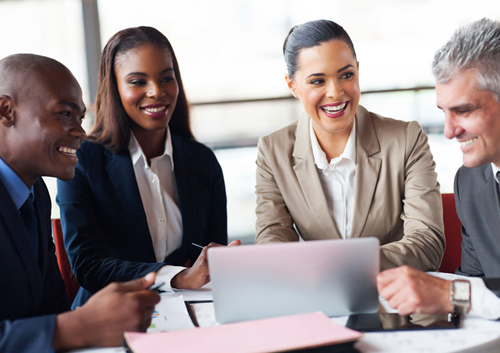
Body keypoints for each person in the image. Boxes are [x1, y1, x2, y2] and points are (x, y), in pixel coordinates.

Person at [57, 26, 239, 308]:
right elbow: (87, 266)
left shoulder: (202, 160)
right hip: (109, 315)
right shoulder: (83, 161)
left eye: (167, 78)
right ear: (115, 88)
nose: (157, 92)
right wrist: (177, 277)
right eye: (138, 82)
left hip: (194, 309)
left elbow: (211, 260)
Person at [0, 53, 160, 352]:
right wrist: (78, 326)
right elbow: (63, 324)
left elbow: (50, 308)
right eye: (64, 114)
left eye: (80, 118)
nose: (81, 132)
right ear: (5, 110)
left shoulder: (35, 194)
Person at [255, 19, 444, 271]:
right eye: (317, 81)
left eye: (346, 75)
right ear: (293, 86)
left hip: (391, 300)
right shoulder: (273, 151)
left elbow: (427, 244)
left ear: (358, 71)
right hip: (318, 300)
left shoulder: (406, 139)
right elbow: (272, 240)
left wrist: (339, 266)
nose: (335, 92)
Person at [377, 18, 500, 320]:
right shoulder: (470, 182)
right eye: (444, 112)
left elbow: (465, 295)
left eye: (464, 110)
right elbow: (472, 289)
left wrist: (450, 294)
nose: (449, 131)